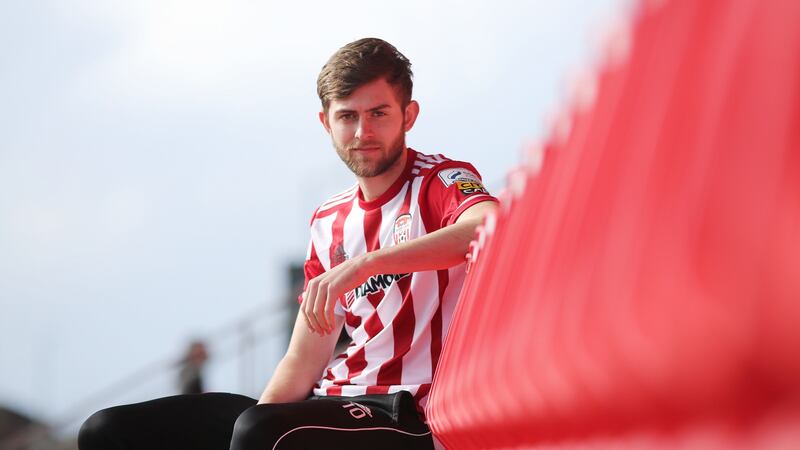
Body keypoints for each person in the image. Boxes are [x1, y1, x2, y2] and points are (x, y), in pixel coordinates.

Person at [78, 37, 497, 450]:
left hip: (406, 415)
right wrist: (252, 422)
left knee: (261, 432)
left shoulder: (438, 180)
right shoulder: (328, 220)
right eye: (348, 117)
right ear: (326, 123)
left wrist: (365, 264)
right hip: (330, 403)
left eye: (378, 113)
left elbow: (488, 225)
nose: (362, 131)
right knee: (108, 430)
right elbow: (302, 361)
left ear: (409, 115)